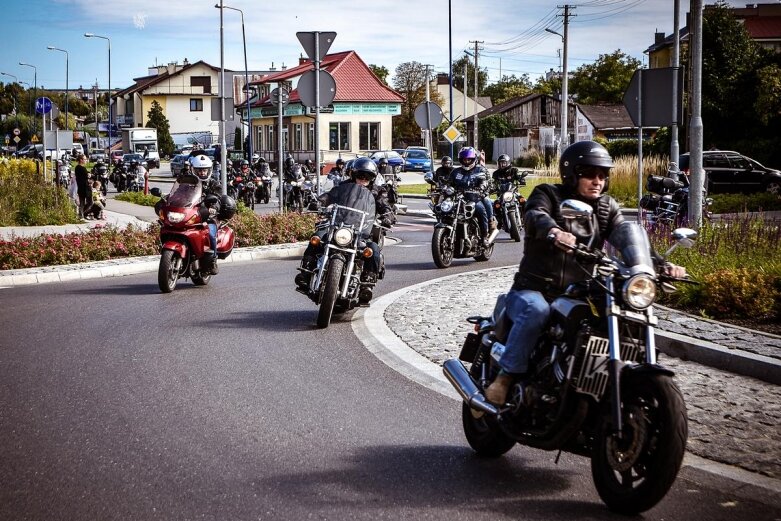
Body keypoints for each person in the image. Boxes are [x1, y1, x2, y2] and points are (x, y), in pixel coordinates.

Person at [484, 140, 687, 404]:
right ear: (572, 174)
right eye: (589, 175)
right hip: (535, 290)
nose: (597, 181)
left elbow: (625, 237)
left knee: (610, 318)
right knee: (537, 312)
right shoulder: (548, 194)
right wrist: (554, 231)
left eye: (602, 176)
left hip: (578, 291)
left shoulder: (605, 208)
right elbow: (535, 215)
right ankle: (506, 377)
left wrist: (658, 265)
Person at [297, 157, 393, 290]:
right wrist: (319, 202)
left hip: (362, 232)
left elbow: (385, 205)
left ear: (372, 178)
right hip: (339, 226)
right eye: (360, 175)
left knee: (373, 250)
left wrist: (388, 216)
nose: (363, 179)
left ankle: (367, 283)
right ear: (353, 175)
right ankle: (306, 271)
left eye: (367, 176)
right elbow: (329, 196)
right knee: (317, 237)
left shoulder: (377, 191)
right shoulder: (343, 187)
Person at [446, 147, 495, 245]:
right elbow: (449, 184)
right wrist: (445, 188)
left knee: (481, 210)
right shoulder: (456, 172)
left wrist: (481, 189)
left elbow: (486, 182)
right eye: (464, 159)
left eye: (469, 159)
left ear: (474, 159)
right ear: (461, 159)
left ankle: (484, 236)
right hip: (459, 199)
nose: (466, 161)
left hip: (475, 198)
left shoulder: (481, 170)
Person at [74, 154, 90, 219]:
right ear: (81, 160)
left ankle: (81, 215)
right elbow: (87, 176)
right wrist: (89, 175)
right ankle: (83, 214)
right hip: (84, 187)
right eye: (85, 159)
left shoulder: (78, 167)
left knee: (82, 202)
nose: (86, 160)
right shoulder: (81, 168)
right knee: (90, 202)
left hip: (81, 187)